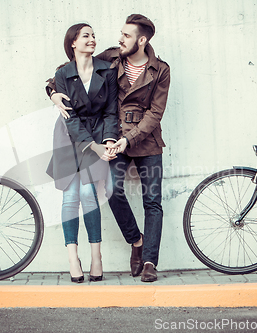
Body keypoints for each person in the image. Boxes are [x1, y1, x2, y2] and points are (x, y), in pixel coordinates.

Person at [47, 14, 170, 282]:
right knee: (112, 191)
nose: (119, 38)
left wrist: (128, 138)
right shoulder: (112, 58)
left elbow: (155, 112)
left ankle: (149, 260)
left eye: (126, 35)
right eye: (121, 34)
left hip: (145, 140)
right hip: (112, 139)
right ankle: (136, 241)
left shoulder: (160, 69)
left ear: (141, 40)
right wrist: (52, 91)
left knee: (152, 200)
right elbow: (70, 69)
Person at [46, 23, 119, 283]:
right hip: (68, 135)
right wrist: (53, 93)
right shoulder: (63, 73)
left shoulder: (106, 70)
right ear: (73, 43)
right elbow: (71, 117)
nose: (92, 39)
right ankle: (72, 257)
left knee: (89, 192)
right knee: (70, 195)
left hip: (99, 132)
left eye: (93, 35)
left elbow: (111, 110)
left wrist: (108, 140)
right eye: (85, 36)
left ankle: (96, 257)